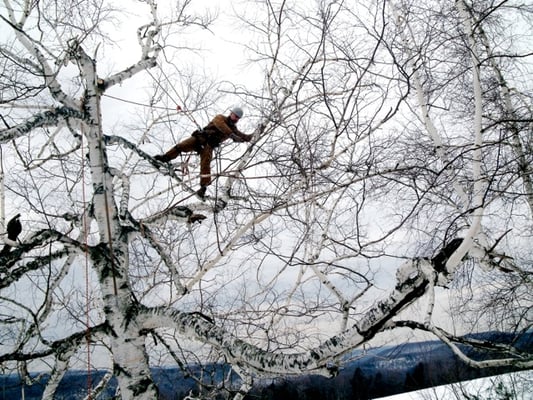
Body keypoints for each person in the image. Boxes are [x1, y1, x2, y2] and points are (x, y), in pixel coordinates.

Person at [154, 107, 253, 199]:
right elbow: (220, 125)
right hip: (200, 138)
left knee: (206, 164)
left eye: (238, 118)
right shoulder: (220, 118)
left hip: (209, 146)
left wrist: (256, 133)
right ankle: (164, 158)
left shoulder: (234, 129)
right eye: (235, 116)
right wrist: (232, 135)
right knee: (181, 146)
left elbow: (245, 137)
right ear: (231, 114)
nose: (236, 119)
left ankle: (203, 187)